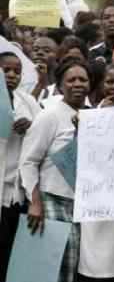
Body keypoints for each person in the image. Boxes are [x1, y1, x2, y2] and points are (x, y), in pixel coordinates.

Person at [20, 60, 94, 282]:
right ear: (60, 86)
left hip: (81, 204)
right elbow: (29, 161)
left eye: (83, 79)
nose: (78, 84)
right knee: (53, 266)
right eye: (71, 80)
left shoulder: (94, 115)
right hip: (51, 198)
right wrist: (35, 202)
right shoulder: (49, 115)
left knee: (72, 265)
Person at [76, 63, 114, 282]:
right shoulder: (87, 115)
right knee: (95, 261)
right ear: (101, 84)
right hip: (95, 199)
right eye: (110, 82)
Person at [0, 51, 41, 282]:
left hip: (17, 194)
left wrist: (31, 126)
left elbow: (43, 133)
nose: (12, 75)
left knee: (11, 252)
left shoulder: (28, 101)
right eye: (6, 70)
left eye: (17, 71)